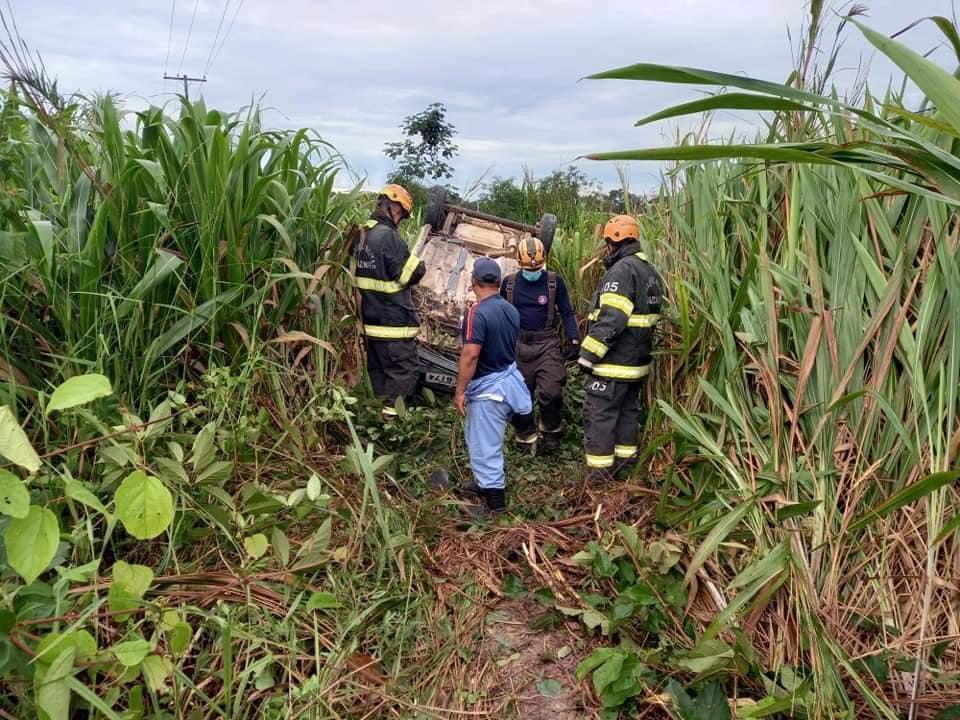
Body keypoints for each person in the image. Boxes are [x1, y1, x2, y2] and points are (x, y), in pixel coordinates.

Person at [577, 215, 663, 482]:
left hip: (613, 364)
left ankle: (599, 479)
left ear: (613, 241)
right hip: (636, 365)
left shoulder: (622, 271)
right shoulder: (650, 271)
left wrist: (588, 355)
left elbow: (612, 318)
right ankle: (626, 472)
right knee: (627, 415)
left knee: (600, 416)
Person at [454, 258, 532, 514]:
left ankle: (495, 505)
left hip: (489, 393)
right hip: (507, 382)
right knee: (480, 439)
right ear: (498, 282)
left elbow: (471, 355)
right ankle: (483, 485)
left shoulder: (477, 313)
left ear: (473, 281)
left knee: (485, 445)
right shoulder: (511, 310)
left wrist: (460, 391)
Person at [352, 184, 425, 419]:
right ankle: (391, 424)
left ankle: (376, 419)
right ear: (392, 205)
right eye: (402, 213)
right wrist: (419, 266)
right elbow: (407, 275)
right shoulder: (389, 237)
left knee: (379, 372)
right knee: (404, 373)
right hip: (393, 322)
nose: (401, 219)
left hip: (370, 322)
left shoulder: (360, 234)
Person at [501, 237, 580, 454]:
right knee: (519, 396)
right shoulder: (509, 284)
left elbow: (566, 312)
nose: (532, 271)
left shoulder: (554, 282)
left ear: (544, 261)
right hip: (518, 344)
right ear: (519, 263)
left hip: (547, 344)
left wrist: (573, 338)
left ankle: (551, 432)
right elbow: (499, 315)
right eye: (527, 268)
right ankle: (526, 437)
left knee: (551, 392)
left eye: (536, 268)